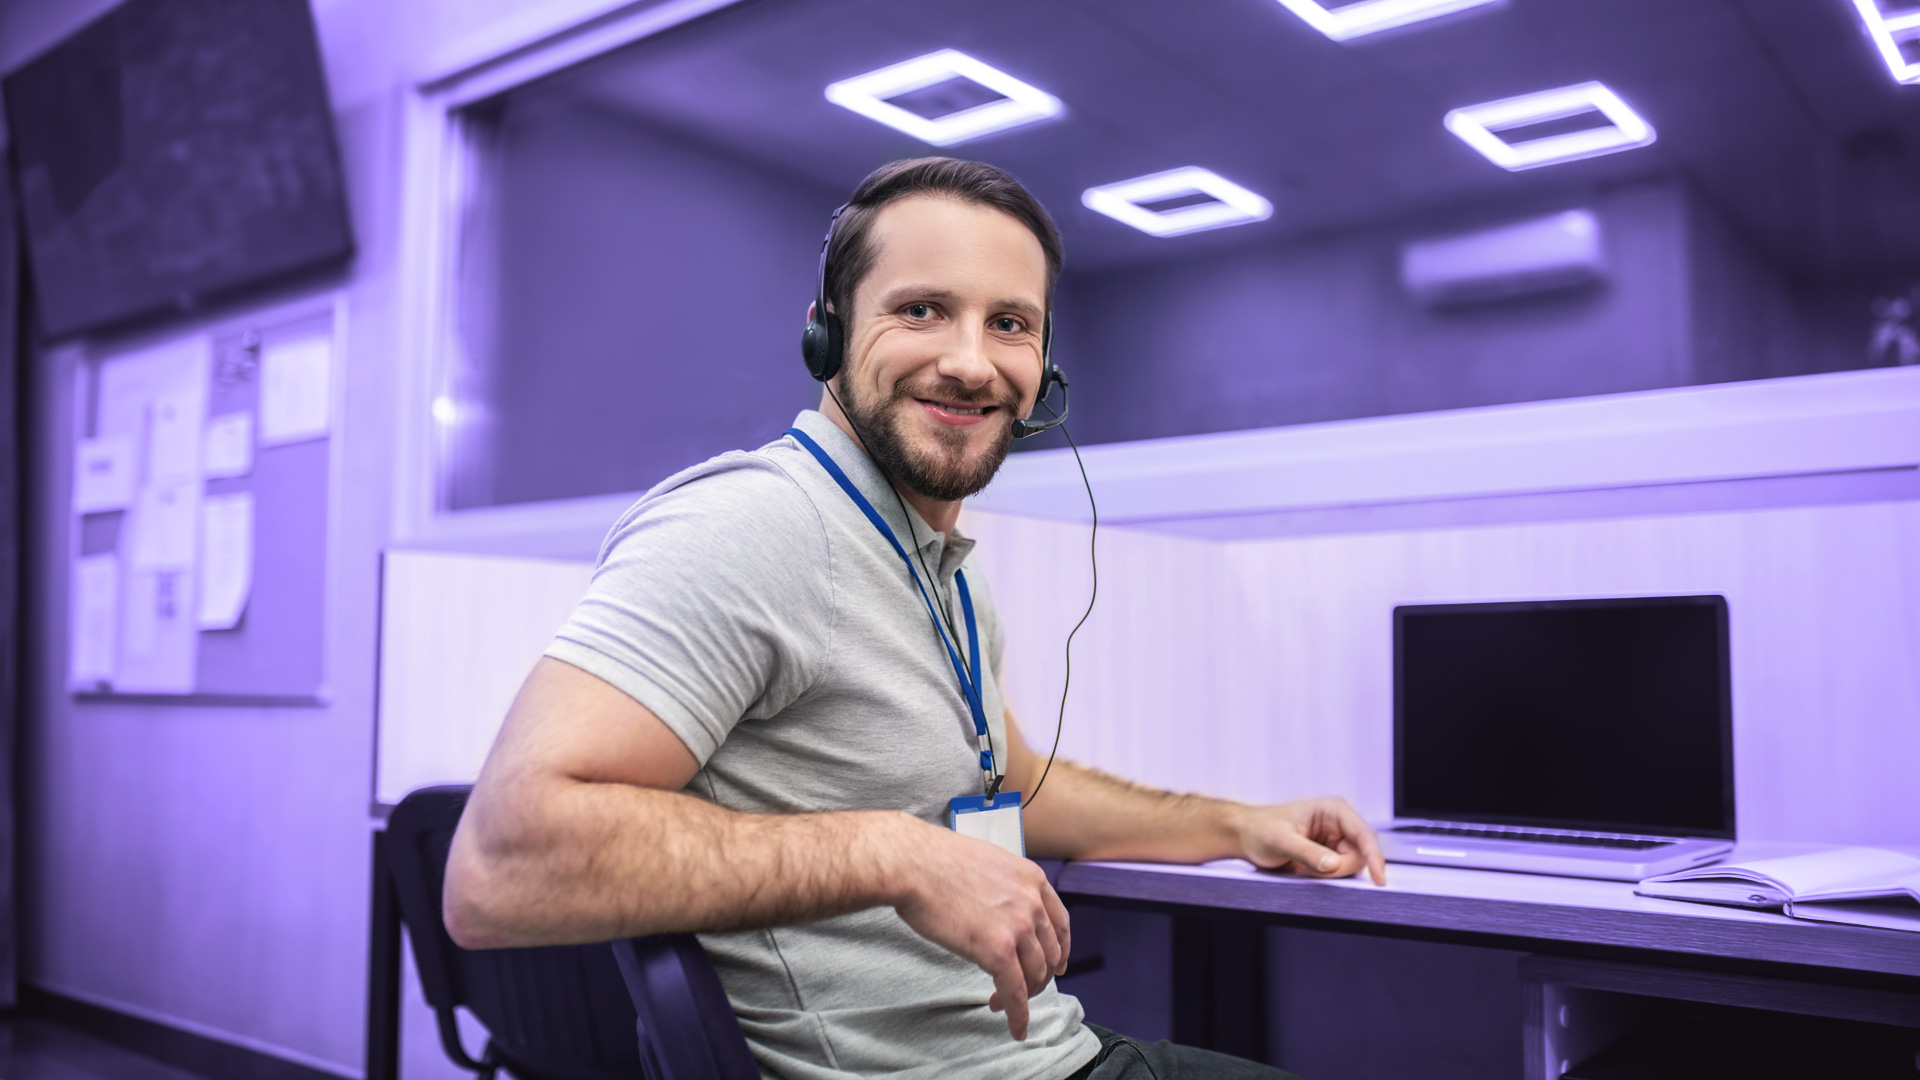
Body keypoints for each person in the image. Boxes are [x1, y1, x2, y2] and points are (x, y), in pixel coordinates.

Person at [444, 157, 1387, 1080]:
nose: (971, 362)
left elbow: (1016, 787)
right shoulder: (756, 524)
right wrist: (891, 852)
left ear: (1043, 371)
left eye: (1009, 324)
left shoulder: (941, 570)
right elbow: (500, 867)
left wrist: (1237, 823)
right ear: (825, 333)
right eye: (920, 309)